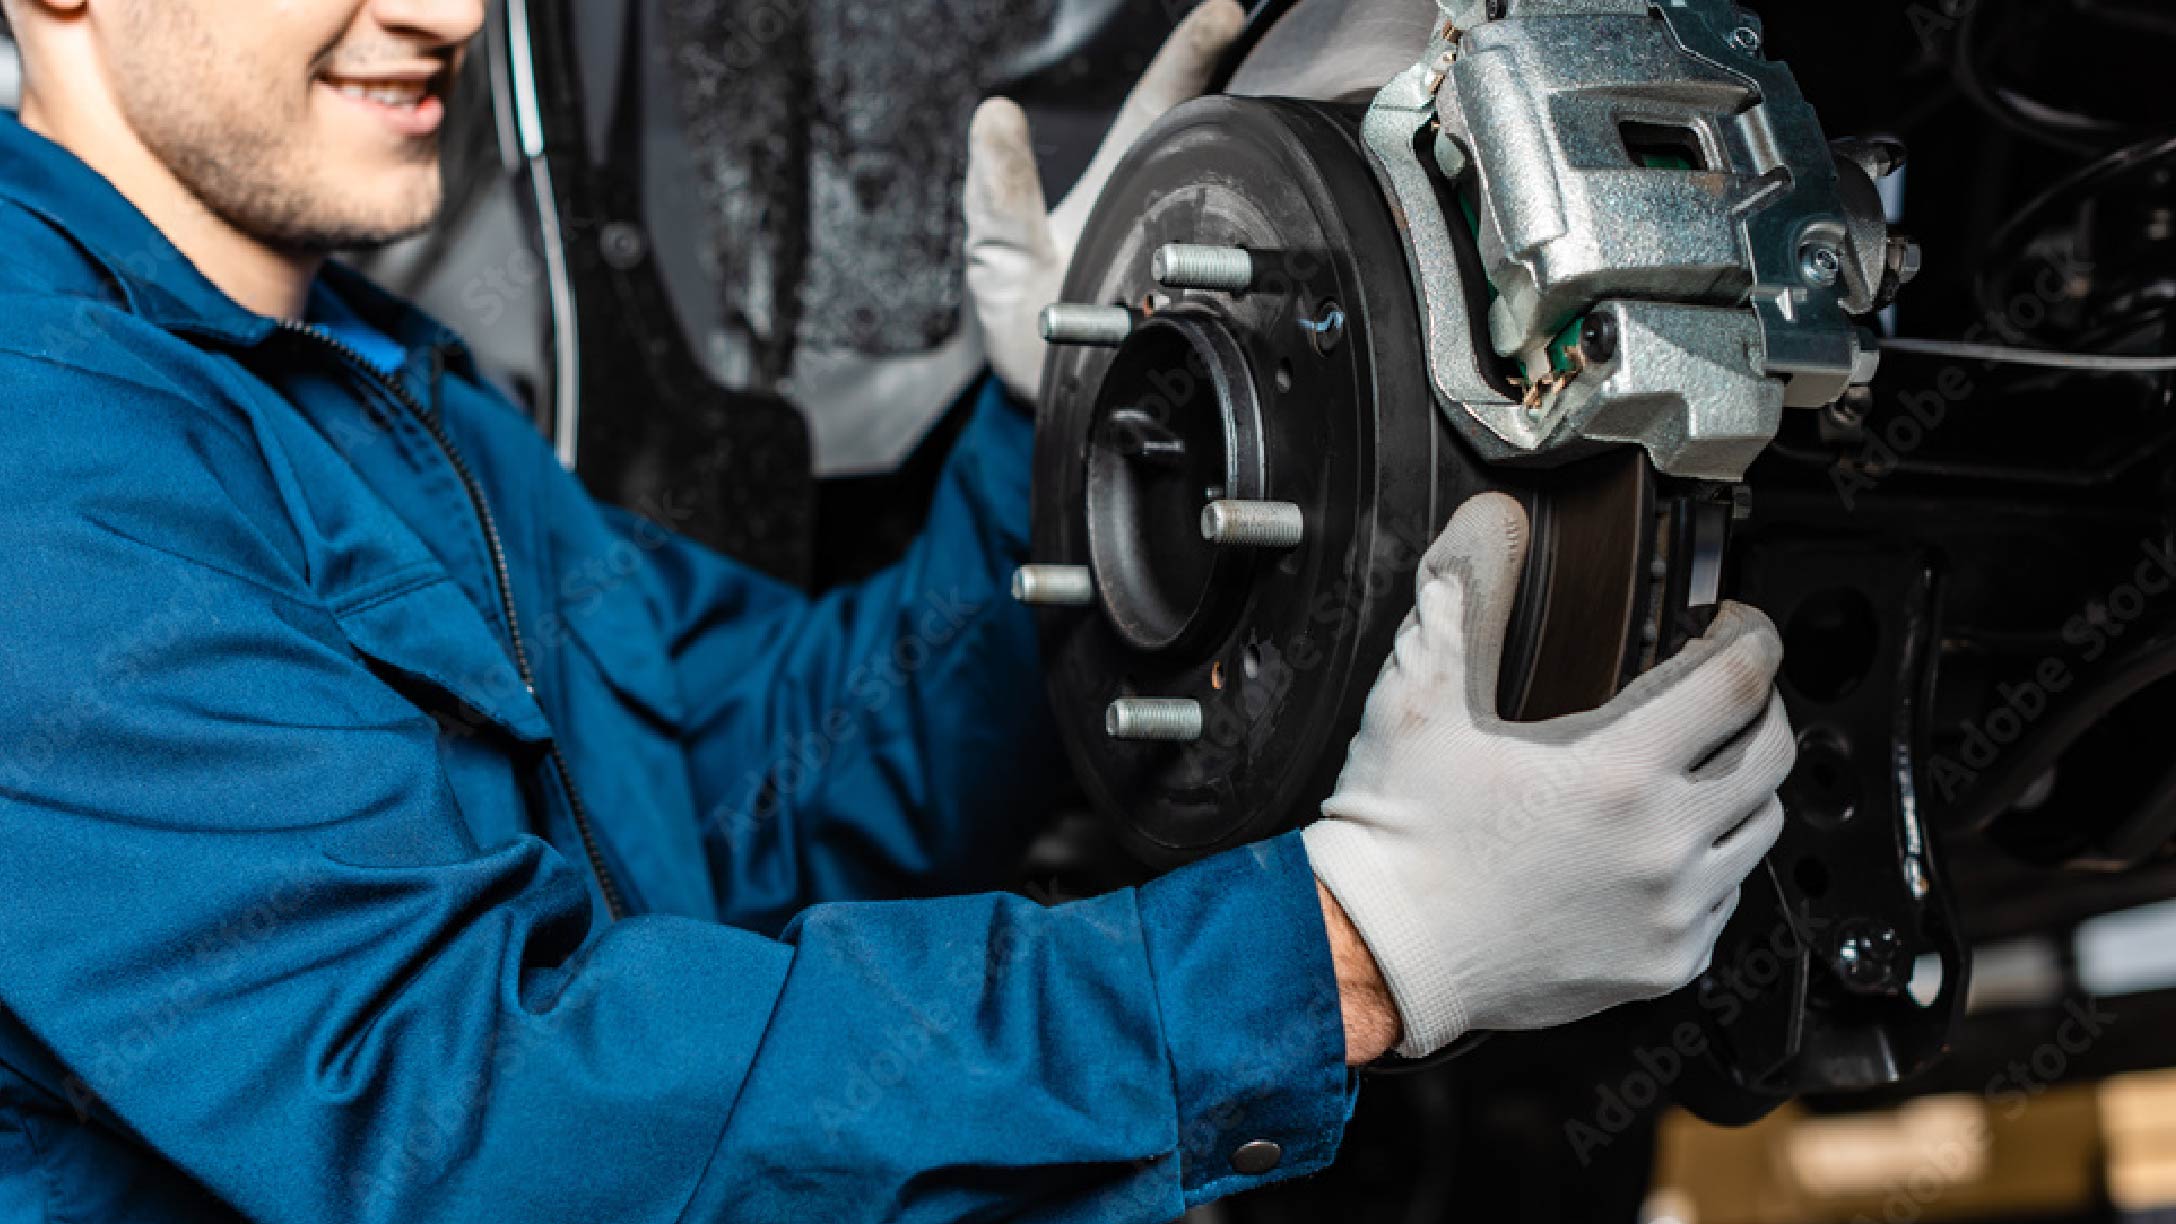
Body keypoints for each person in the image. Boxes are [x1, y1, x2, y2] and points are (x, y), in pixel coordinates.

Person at [0, 0, 1796, 1219]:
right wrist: (1349, 949)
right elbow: (465, 1106)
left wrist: (1062, 436)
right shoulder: (42, 451)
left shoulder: (375, 382)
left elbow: (763, 781)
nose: (452, 13)